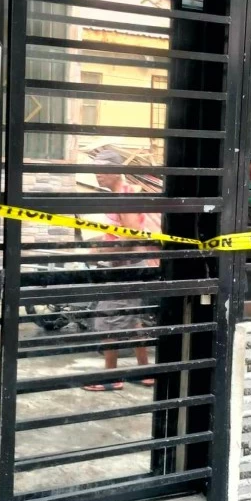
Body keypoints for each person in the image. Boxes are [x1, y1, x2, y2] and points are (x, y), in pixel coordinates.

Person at [84, 147, 161, 391]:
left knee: (108, 319)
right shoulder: (122, 194)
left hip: (125, 267)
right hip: (129, 267)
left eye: (102, 171)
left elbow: (132, 236)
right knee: (131, 319)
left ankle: (111, 378)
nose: (98, 175)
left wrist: (103, 252)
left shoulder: (123, 198)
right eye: (95, 171)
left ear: (116, 170)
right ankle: (145, 373)